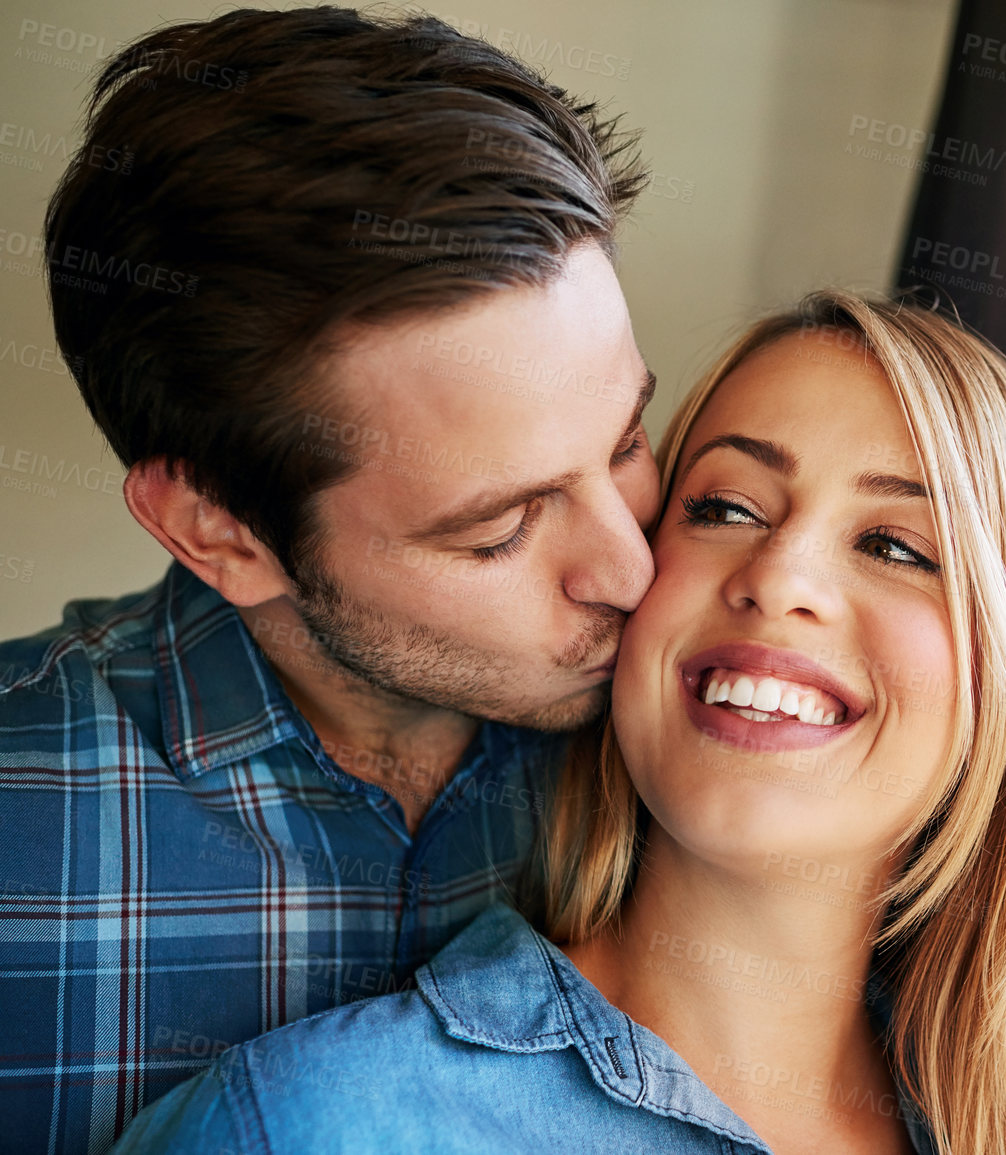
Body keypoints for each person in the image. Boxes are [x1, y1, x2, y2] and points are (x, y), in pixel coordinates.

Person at [112, 290, 1006, 1155]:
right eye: (726, 508)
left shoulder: (983, 1128)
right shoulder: (301, 1129)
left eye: (893, 544)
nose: (780, 578)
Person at [0, 10, 659, 1149]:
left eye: (628, 443)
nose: (633, 569)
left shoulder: (719, 747)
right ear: (219, 532)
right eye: (499, 527)